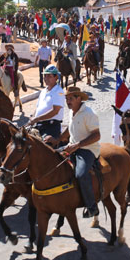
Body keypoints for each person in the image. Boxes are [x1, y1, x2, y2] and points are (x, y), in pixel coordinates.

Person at [46, 86, 100, 218]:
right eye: (66, 99)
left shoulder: (89, 113)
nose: (68, 101)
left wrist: (77, 145)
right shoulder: (72, 112)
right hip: (72, 147)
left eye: (70, 99)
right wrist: (57, 140)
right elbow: (70, 130)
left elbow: (97, 135)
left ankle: (92, 206)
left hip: (87, 150)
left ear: (79, 98)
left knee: (81, 174)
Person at [27, 65, 64, 140]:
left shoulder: (59, 92)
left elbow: (55, 111)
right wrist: (32, 117)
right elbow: (38, 108)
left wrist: (37, 118)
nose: (46, 78)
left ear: (56, 77)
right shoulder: (44, 91)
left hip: (51, 127)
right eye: (45, 76)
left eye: (49, 76)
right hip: (39, 125)